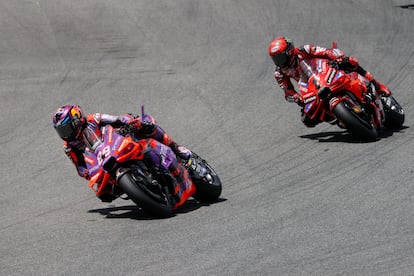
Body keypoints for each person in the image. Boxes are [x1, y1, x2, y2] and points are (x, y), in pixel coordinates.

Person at [52, 104, 193, 203]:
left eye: (67, 129)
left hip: (120, 141)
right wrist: (89, 175)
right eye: (61, 131)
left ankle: (176, 148)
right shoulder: (69, 147)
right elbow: (80, 167)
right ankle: (146, 186)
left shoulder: (93, 119)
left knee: (147, 127)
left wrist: (130, 122)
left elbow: (116, 119)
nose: (66, 134)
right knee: (104, 195)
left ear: (77, 120)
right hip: (104, 163)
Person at [268, 36, 391, 127]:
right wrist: (297, 98)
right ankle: (340, 118)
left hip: (323, 72)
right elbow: (287, 91)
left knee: (350, 62)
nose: (278, 62)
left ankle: (377, 85)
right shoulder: (279, 73)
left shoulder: (304, 50)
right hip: (311, 88)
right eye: (275, 59)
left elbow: (325, 52)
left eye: (280, 57)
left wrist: (338, 58)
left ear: (289, 51)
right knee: (307, 120)